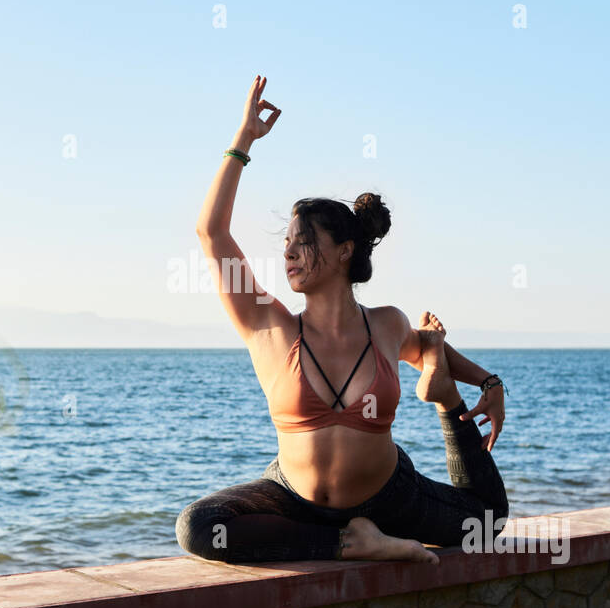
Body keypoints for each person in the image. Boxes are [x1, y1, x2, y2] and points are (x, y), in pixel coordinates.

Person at [175, 75, 509, 565]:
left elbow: (423, 346)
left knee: (487, 523)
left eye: (303, 240)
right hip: (294, 498)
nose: (288, 251)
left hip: (390, 497)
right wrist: (242, 141)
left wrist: (487, 382)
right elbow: (211, 231)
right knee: (199, 526)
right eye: (286, 241)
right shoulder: (269, 325)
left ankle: (444, 403)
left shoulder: (386, 325)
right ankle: (351, 544)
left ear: (344, 251)